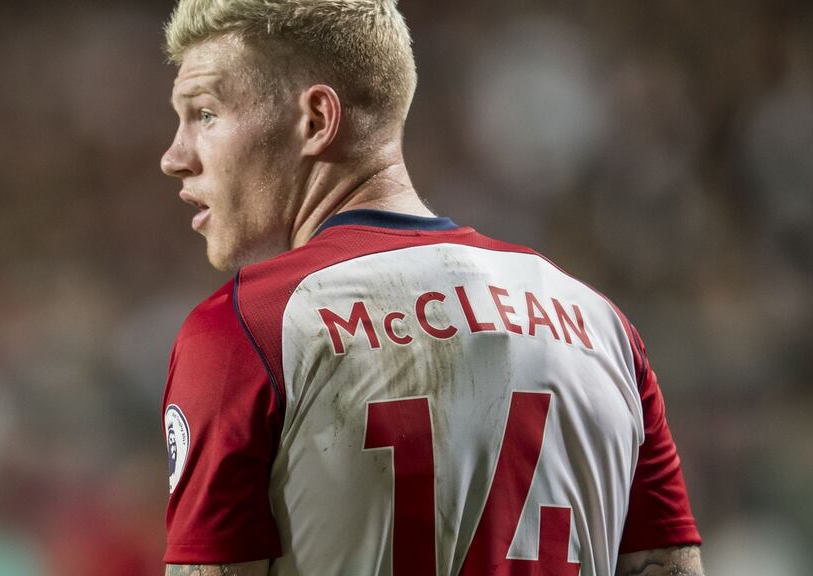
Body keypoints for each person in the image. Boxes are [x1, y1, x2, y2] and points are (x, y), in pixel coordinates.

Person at [158, 1, 703, 575]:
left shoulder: (249, 329)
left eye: (205, 113)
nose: (174, 157)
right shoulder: (601, 326)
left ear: (316, 120)